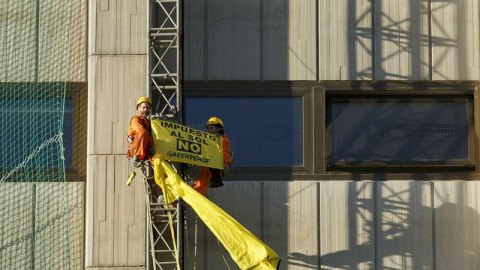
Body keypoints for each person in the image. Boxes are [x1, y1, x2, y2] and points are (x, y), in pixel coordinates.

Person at [192, 116, 231, 195]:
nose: (210, 130)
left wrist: (226, 163)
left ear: (219, 128)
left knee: (201, 184)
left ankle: (192, 198)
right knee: (200, 183)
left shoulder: (223, 140)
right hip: (208, 164)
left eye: (212, 128)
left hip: (214, 166)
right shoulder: (210, 139)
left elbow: (225, 152)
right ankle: (192, 197)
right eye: (209, 129)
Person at [126, 96, 155, 168]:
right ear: (138, 108)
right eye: (144, 107)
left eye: (148, 108)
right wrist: (152, 145)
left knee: (160, 163)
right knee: (144, 132)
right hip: (135, 148)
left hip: (146, 150)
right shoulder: (135, 119)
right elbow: (141, 131)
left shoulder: (150, 123)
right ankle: (136, 159)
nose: (146, 110)